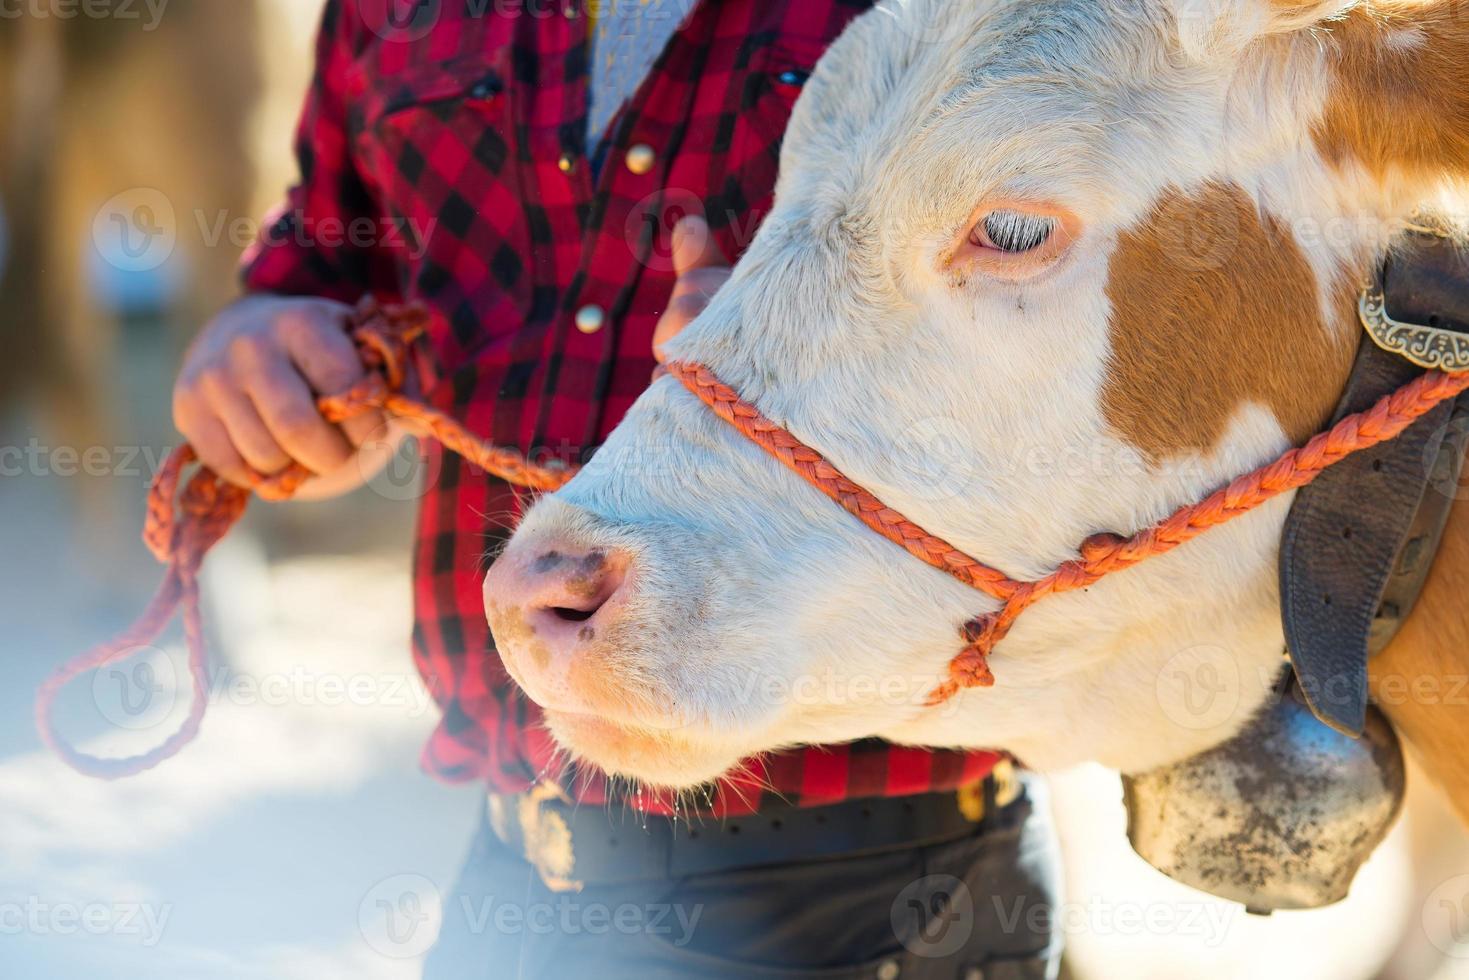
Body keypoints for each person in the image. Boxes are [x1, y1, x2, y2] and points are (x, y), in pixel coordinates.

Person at [171, 2, 1061, 976]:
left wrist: (833, 349)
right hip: (509, 862)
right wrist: (262, 337)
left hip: (871, 880)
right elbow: (332, 252)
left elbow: (1111, 308)